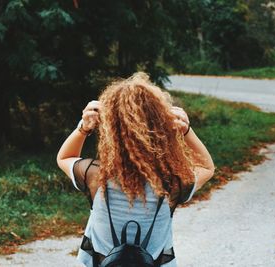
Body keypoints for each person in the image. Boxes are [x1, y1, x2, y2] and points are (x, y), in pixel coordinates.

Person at [56, 72, 215, 267]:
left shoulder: (95, 176)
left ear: (109, 128)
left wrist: (84, 128)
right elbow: (206, 167)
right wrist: (186, 131)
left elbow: (65, 157)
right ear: (161, 128)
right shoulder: (172, 183)